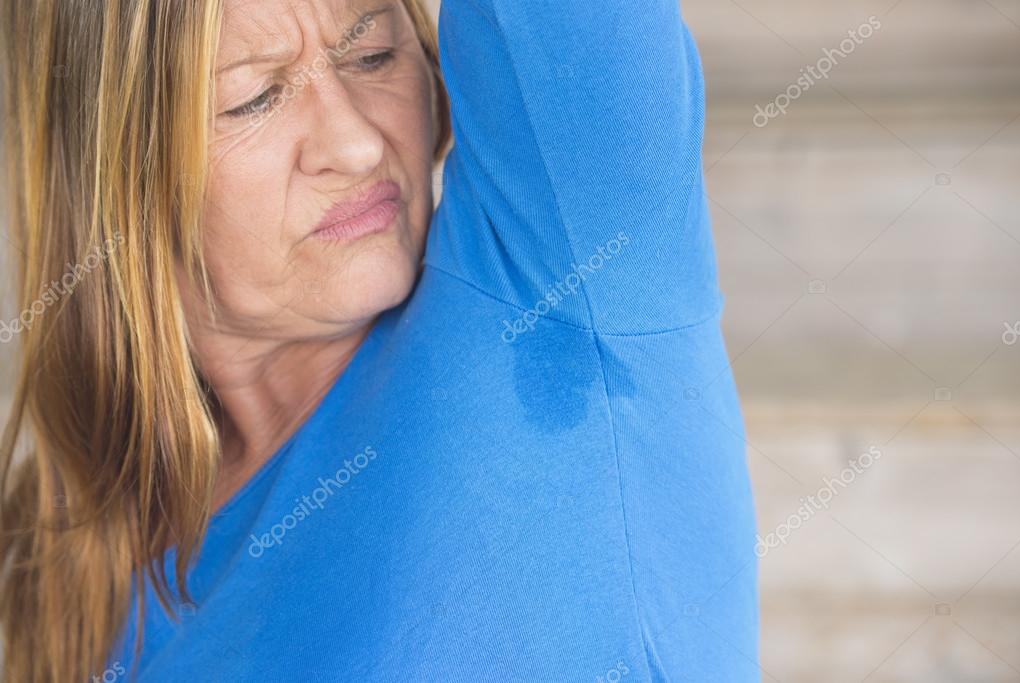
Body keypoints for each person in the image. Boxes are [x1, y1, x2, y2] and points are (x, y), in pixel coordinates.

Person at [0, 0, 759, 680]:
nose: (356, 144)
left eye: (373, 56)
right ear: (112, 179)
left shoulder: (562, 274)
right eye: (254, 98)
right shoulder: (52, 558)